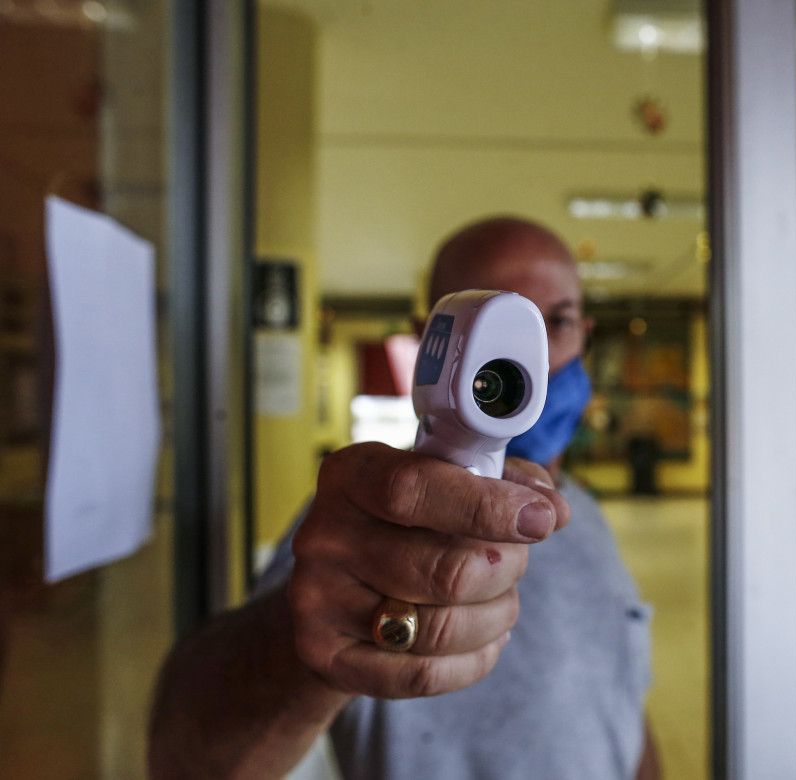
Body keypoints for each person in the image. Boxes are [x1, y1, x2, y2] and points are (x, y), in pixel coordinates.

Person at [149, 216, 659, 779]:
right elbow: (186, 760)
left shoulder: (585, 517)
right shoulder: (364, 526)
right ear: (432, 342)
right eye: (497, 328)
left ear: (586, 331)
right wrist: (306, 647)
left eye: (555, 322)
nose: (528, 362)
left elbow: (622, 710)